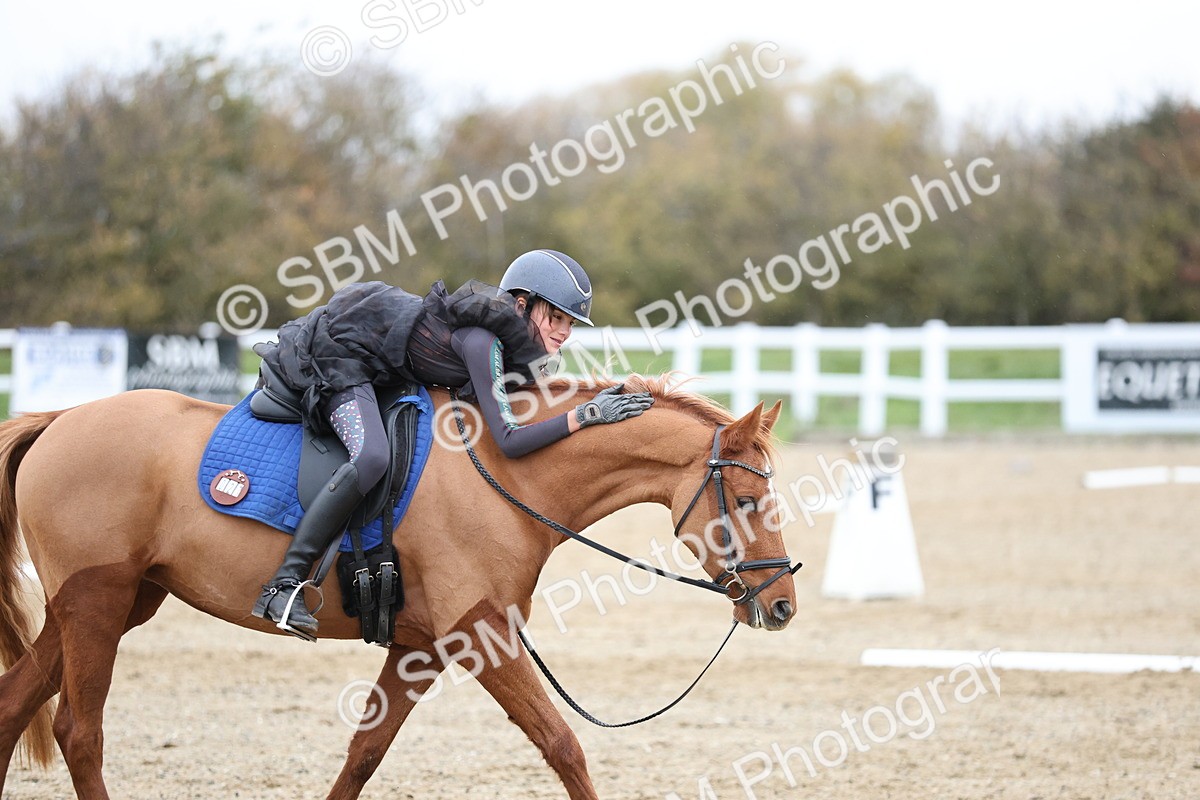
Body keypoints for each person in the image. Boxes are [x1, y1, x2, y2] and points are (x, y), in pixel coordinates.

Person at [250, 249, 653, 637]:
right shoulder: (484, 341)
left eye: (571, 323)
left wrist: (599, 395)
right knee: (372, 455)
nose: (564, 332)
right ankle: (282, 586)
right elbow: (509, 440)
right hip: (341, 355)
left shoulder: (508, 342)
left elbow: (526, 397)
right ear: (522, 304)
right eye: (557, 317)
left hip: (381, 360)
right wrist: (586, 415)